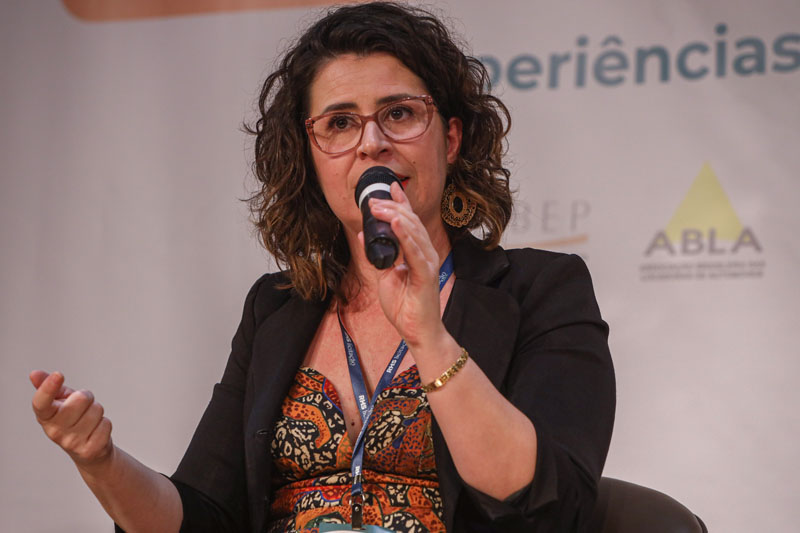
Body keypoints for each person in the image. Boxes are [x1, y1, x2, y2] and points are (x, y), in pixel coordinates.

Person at [29, 2, 615, 531]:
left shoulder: (541, 289)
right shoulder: (277, 307)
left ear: (452, 138)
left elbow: (553, 504)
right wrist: (102, 463)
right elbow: (205, 517)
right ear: (311, 156)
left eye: (400, 113)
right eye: (339, 122)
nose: (371, 143)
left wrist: (430, 341)